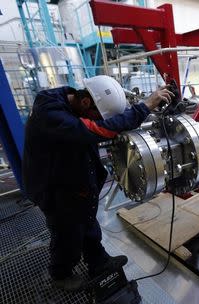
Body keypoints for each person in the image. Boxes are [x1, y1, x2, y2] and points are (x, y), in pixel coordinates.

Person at [22, 75, 174, 291]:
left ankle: (98, 262)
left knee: (88, 220)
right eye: (97, 115)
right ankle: (61, 274)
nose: (98, 120)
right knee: (68, 232)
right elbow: (101, 130)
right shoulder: (51, 115)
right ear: (85, 103)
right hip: (53, 187)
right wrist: (145, 106)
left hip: (72, 176)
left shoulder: (67, 100)